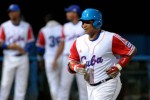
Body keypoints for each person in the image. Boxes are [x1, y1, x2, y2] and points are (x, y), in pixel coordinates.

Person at [68, 8, 137, 100]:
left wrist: (118, 67)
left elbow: (131, 50)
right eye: (82, 22)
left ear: (97, 22)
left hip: (108, 83)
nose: (83, 25)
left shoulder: (111, 37)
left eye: (87, 22)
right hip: (90, 86)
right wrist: (75, 67)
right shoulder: (78, 42)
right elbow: (71, 61)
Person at [52, 5, 88, 100]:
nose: (67, 14)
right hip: (68, 58)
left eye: (69, 12)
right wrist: (55, 59)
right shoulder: (65, 26)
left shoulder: (84, 25)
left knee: (83, 87)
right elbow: (62, 44)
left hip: (82, 59)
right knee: (64, 85)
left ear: (75, 13)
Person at [0, 4, 35, 100]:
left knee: (21, 85)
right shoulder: (4, 26)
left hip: (22, 58)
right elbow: (1, 42)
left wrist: (24, 50)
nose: (11, 14)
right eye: (10, 12)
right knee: (5, 84)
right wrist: (10, 46)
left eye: (13, 11)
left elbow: (31, 42)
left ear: (18, 12)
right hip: (9, 57)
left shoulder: (26, 26)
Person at [36, 14, 62, 100]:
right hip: (63, 58)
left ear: (46, 21)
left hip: (50, 58)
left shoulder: (43, 30)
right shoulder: (63, 28)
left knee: (53, 84)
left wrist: (40, 61)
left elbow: (40, 49)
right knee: (64, 85)